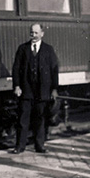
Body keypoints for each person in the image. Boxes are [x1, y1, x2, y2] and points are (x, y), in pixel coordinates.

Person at [11, 23, 59, 154]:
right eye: (31, 32)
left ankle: (40, 145)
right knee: (23, 119)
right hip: (26, 90)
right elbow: (16, 69)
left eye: (36, 33)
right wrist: (17, 86)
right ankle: (20, 146)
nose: (33, 35)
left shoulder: (48, 50)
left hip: (42, 91)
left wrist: (54, 89)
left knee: (40, 119)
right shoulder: (23, 49)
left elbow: (54, 70)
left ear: (42, 34)